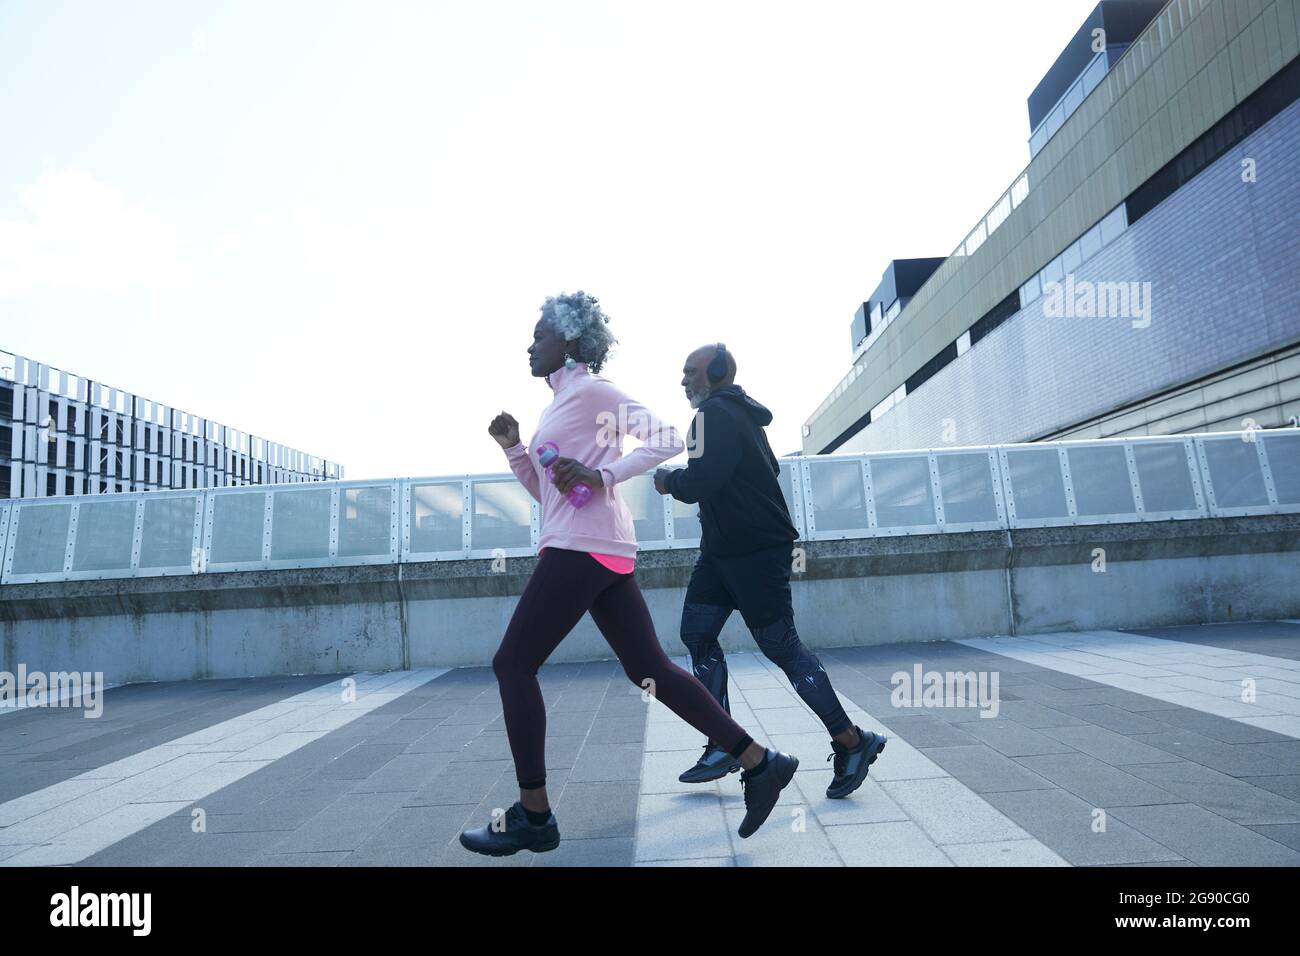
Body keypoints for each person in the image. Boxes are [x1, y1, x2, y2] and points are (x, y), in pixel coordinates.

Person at [459, 295, 799, 857]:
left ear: (568, 342)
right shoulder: (560, 403)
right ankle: (760, 763)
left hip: (582, 549)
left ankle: (535, 816)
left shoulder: (593, 391)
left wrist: (603, 473)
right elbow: (549, 496)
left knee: (512, 664)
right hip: (596, 546)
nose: (530, 344)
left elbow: (668, 440)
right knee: (650, 668)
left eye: (539, 335)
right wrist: (515, 448)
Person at [654, 343, 887, 799]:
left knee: (781, 646)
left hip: (756, 553)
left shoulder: (712, 416)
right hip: (721, 552)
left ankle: (853, 742)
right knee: (697, 634)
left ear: (716, 372)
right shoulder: (740, 418)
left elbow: (702, 482)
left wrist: (668, 481)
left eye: (690, 372)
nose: (683, 381)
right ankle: (723, 740)